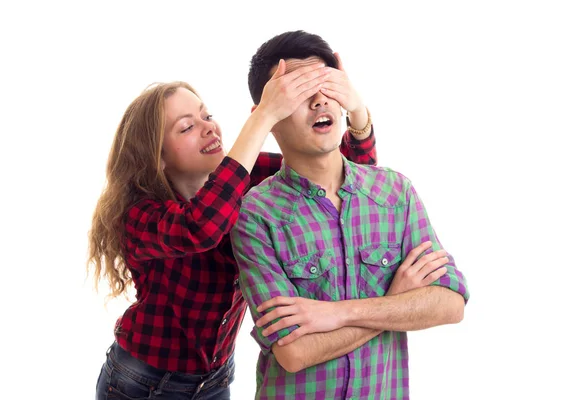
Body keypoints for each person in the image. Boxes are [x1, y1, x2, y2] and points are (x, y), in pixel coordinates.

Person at [87, 57, 379, 399]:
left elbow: (340, 175)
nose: (209, 127)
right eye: (187, 127)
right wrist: (264, 116)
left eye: (206, 116)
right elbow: (200, 227)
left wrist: (355, 109)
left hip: (215, 379)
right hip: (143, 382)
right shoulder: (139, 215)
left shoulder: (248, 179)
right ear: (158, 157)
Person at [230, 30, 470, 400]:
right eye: (298, 91)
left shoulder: (394, 193)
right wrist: (395, 304)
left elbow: (450, 303)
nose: (319, 100)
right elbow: (293, 353)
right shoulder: (255, 214)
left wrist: (337, 314)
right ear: (268, 115)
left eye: (326, 84)